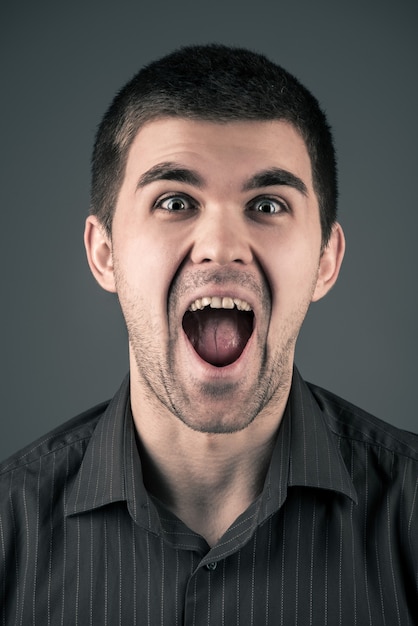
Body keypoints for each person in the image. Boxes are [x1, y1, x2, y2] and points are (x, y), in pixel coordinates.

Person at [1, 44, 417, 625]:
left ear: (326, 259)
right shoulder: (8, 532)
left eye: (268, 204)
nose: (221, 246)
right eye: (175, 201)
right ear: (104, 254)